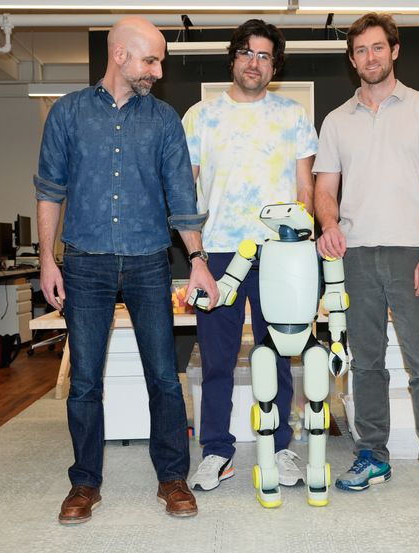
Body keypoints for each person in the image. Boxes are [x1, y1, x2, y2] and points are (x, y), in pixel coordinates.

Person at [34, 15, 219, 524]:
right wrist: (47, 259)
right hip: (85, 263)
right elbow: (50, 190)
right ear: (119, 56)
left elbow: (182, 196)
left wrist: (198, 261)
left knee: (163, 376)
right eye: (150, 60)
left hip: (148, 262)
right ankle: (84, 484)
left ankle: (173, 478)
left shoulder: (163, 120)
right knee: (84, 381)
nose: (157, 71)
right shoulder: (68, 114)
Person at [313, 12, 419, 510]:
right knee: (366, 363)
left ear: (394, 51)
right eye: (360, 50)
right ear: (352, 58)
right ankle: (372, 454)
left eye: (378, 47)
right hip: (355, 256)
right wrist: (328, 224)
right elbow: (324, 188)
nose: (370, 57)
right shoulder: (337, 120)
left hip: (411, 254)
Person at [181, 19, 318, 498]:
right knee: (217, 359)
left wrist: (302, 246)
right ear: (233, 58)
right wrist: (195, 255)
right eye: (246, 53)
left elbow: (305, 188)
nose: (254, 63)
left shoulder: (293, 115)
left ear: (274, 66)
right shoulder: (200, 116)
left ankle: (279, 447)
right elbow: (185, 191)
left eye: (264, 56)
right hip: (218, 253)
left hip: (280, 254)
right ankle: (216, 451)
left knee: (276, 354)